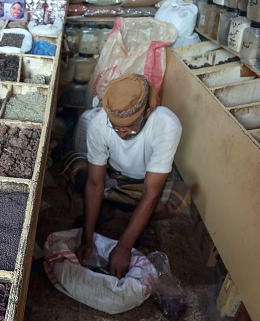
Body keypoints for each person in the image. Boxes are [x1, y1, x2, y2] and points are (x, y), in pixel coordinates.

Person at [67, 74, 190, 278]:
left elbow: (152, 192)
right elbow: (95, 184)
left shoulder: (167, 125)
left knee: (179, 198)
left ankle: (141, 225)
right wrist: (87, 239)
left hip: (142, 185)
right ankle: (104, 211)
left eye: (130, 127)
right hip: (111, 179)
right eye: (116, 127)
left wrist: (124, 248)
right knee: (75, 166)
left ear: (148, 112)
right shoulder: (99, 124)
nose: (121, 134)